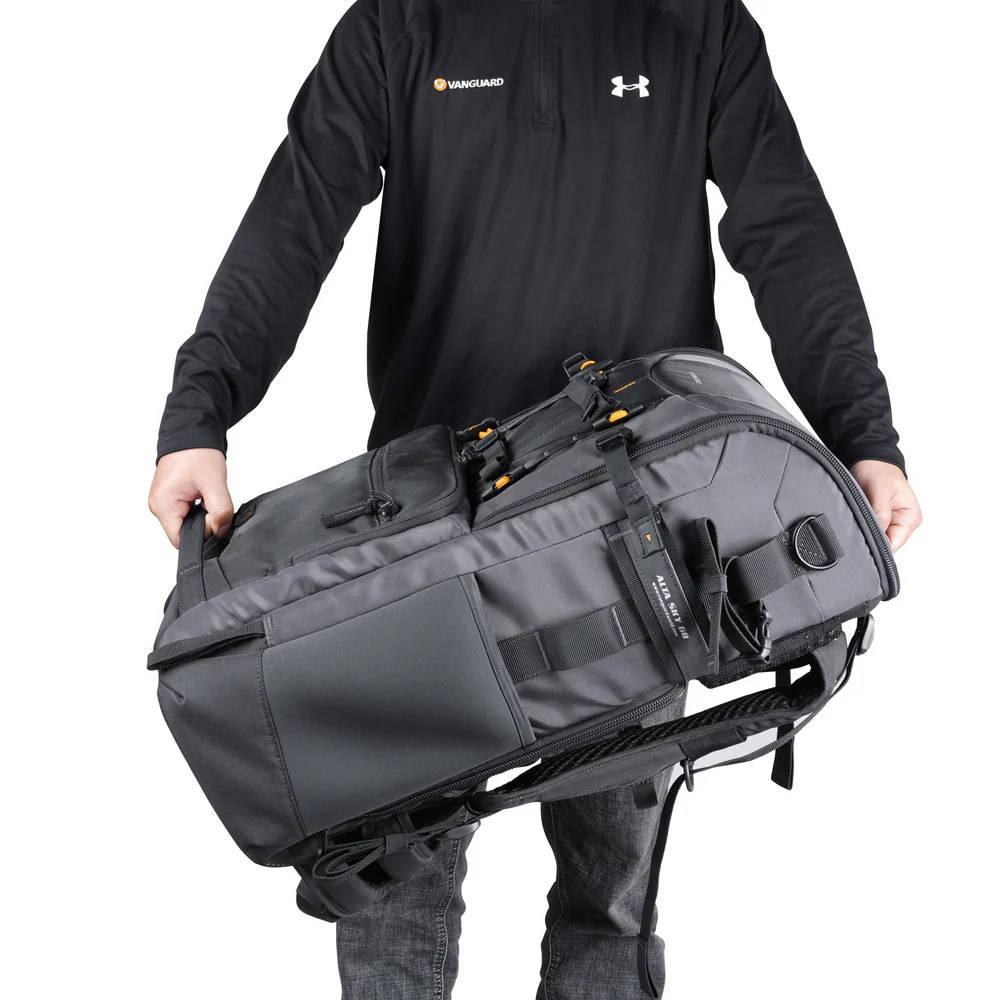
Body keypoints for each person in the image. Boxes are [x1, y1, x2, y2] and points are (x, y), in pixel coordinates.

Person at [149, 2, 922, 996]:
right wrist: (199, 417)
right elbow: (295, 217)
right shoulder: (397, 24)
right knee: (393, 892)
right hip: (426, 542)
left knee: (611, 891)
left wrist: (864, 437)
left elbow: (786, 232)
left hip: (633, 532)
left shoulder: (698, 24)